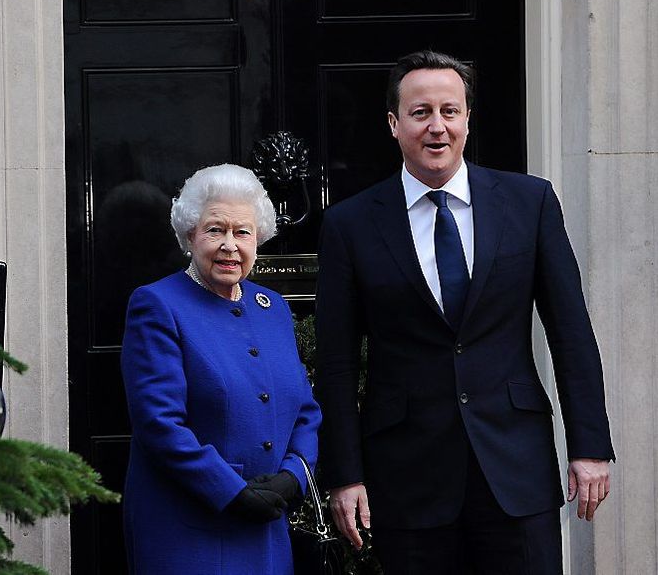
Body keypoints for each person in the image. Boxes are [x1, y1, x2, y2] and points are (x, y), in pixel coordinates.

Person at [313, 50, 615, 574]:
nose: (437, 127)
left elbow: (570, 333)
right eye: (420, 112)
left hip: (516, 471)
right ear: (394, 124)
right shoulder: (350, 224)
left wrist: (590, 446)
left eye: (450, 111)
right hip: (407, 478)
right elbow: (337, 362)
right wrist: (344, 475)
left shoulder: (530, 202)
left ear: (468, 119)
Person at [121, 163, 322, 574]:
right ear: (190, 235)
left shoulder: (273, 309)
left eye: (242, 232)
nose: (230, 245)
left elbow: (305, 410)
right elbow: (159, 425)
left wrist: (294, 478)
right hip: (190, 530)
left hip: (267, 530)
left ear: (258, 239)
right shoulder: (158, 305)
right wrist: (230, 490)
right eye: (216, 230)